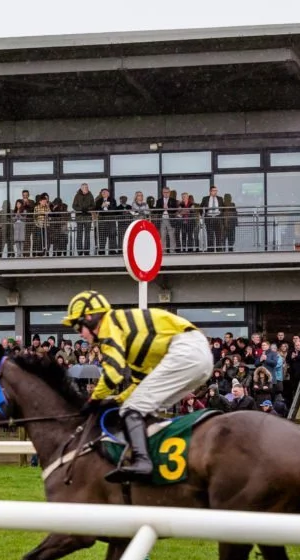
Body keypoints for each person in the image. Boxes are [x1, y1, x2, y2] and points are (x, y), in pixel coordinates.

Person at [61, 290, 212, 481]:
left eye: (78, 327)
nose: (79, 334)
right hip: (198, 355)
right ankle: (159, 458)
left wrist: (94, 400)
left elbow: (113, 372)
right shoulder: (130, 338)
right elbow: (139, 383)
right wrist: (116, 400)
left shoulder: (109, 325)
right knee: (142, 407)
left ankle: (143, 461)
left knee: (133, 409)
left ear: (90, 318)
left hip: (185, 351)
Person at [71, 183, 95, 256]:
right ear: (81, 188)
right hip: (80, 217)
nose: (86, 188)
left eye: (87, 187)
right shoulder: (77, 195)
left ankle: (87, 251)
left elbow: (93, 205)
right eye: (84, 187)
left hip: (88, 217)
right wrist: (81, 209)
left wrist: (87, 209)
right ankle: (80, 251)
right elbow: (74, 206)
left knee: (87, 234)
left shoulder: (90, 195)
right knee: (79, 234)